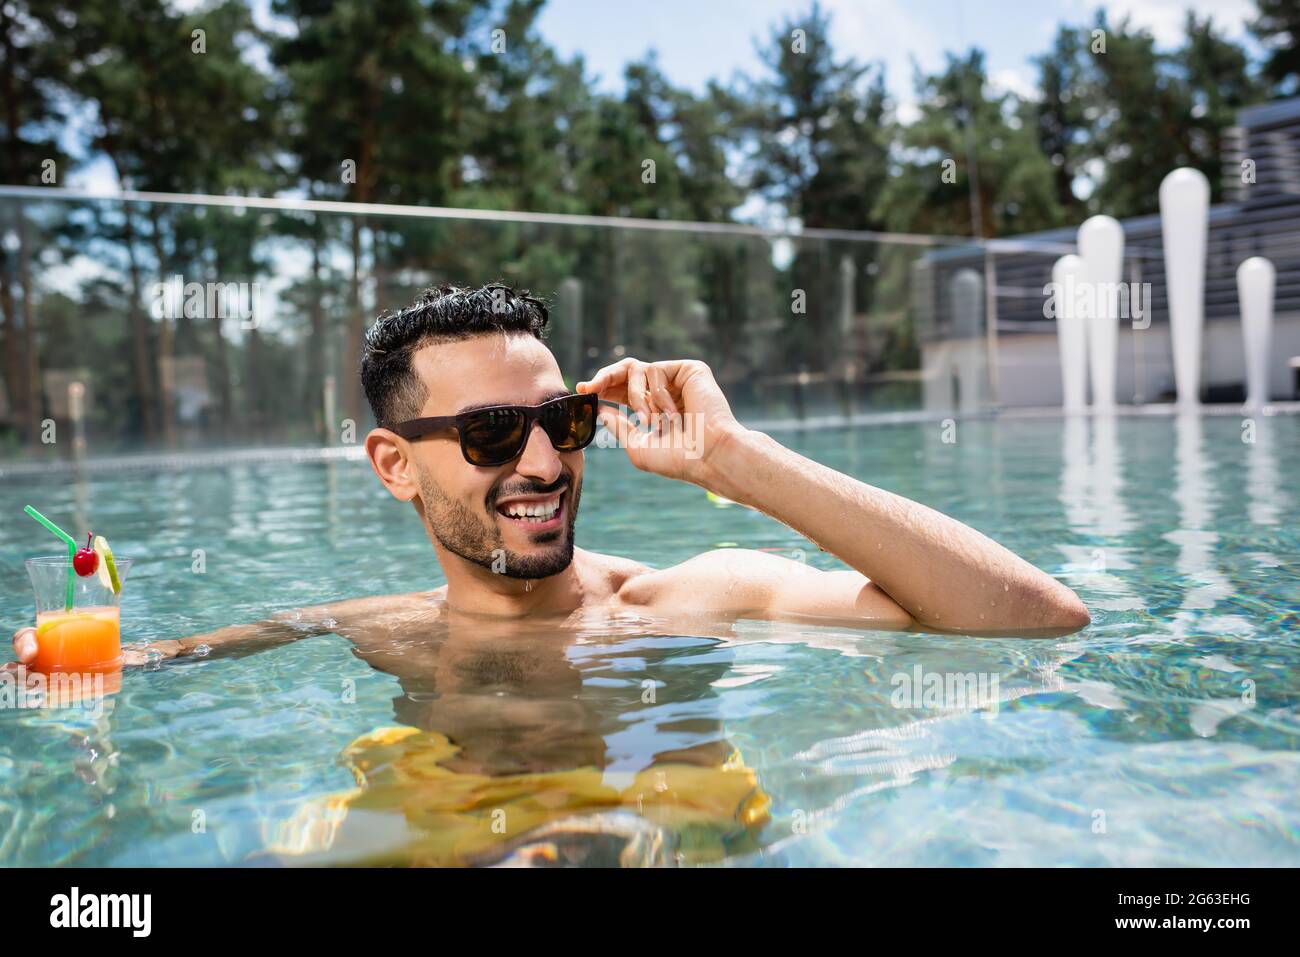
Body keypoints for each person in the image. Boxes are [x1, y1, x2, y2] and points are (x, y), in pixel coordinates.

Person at [8, 283, 1089, 688]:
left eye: (561, 422)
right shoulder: (370, 629)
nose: (541, 464)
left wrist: (738, 462)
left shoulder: (691, 602)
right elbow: (140, 665)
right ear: (394, 465)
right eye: (488, 433)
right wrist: (64, 661)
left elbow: (1034, 621)